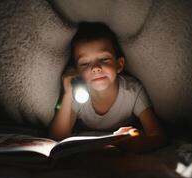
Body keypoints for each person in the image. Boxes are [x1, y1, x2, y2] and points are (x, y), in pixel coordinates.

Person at [49, 22, 166, 153]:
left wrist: (141, 141)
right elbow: (57, 138)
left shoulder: (132, 91)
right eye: (85, 64)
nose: (95, 68)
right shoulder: (78, 93)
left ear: (119, 65)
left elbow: (157, 135)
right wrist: (68, 93)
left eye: (104, 59)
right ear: (77, 71)